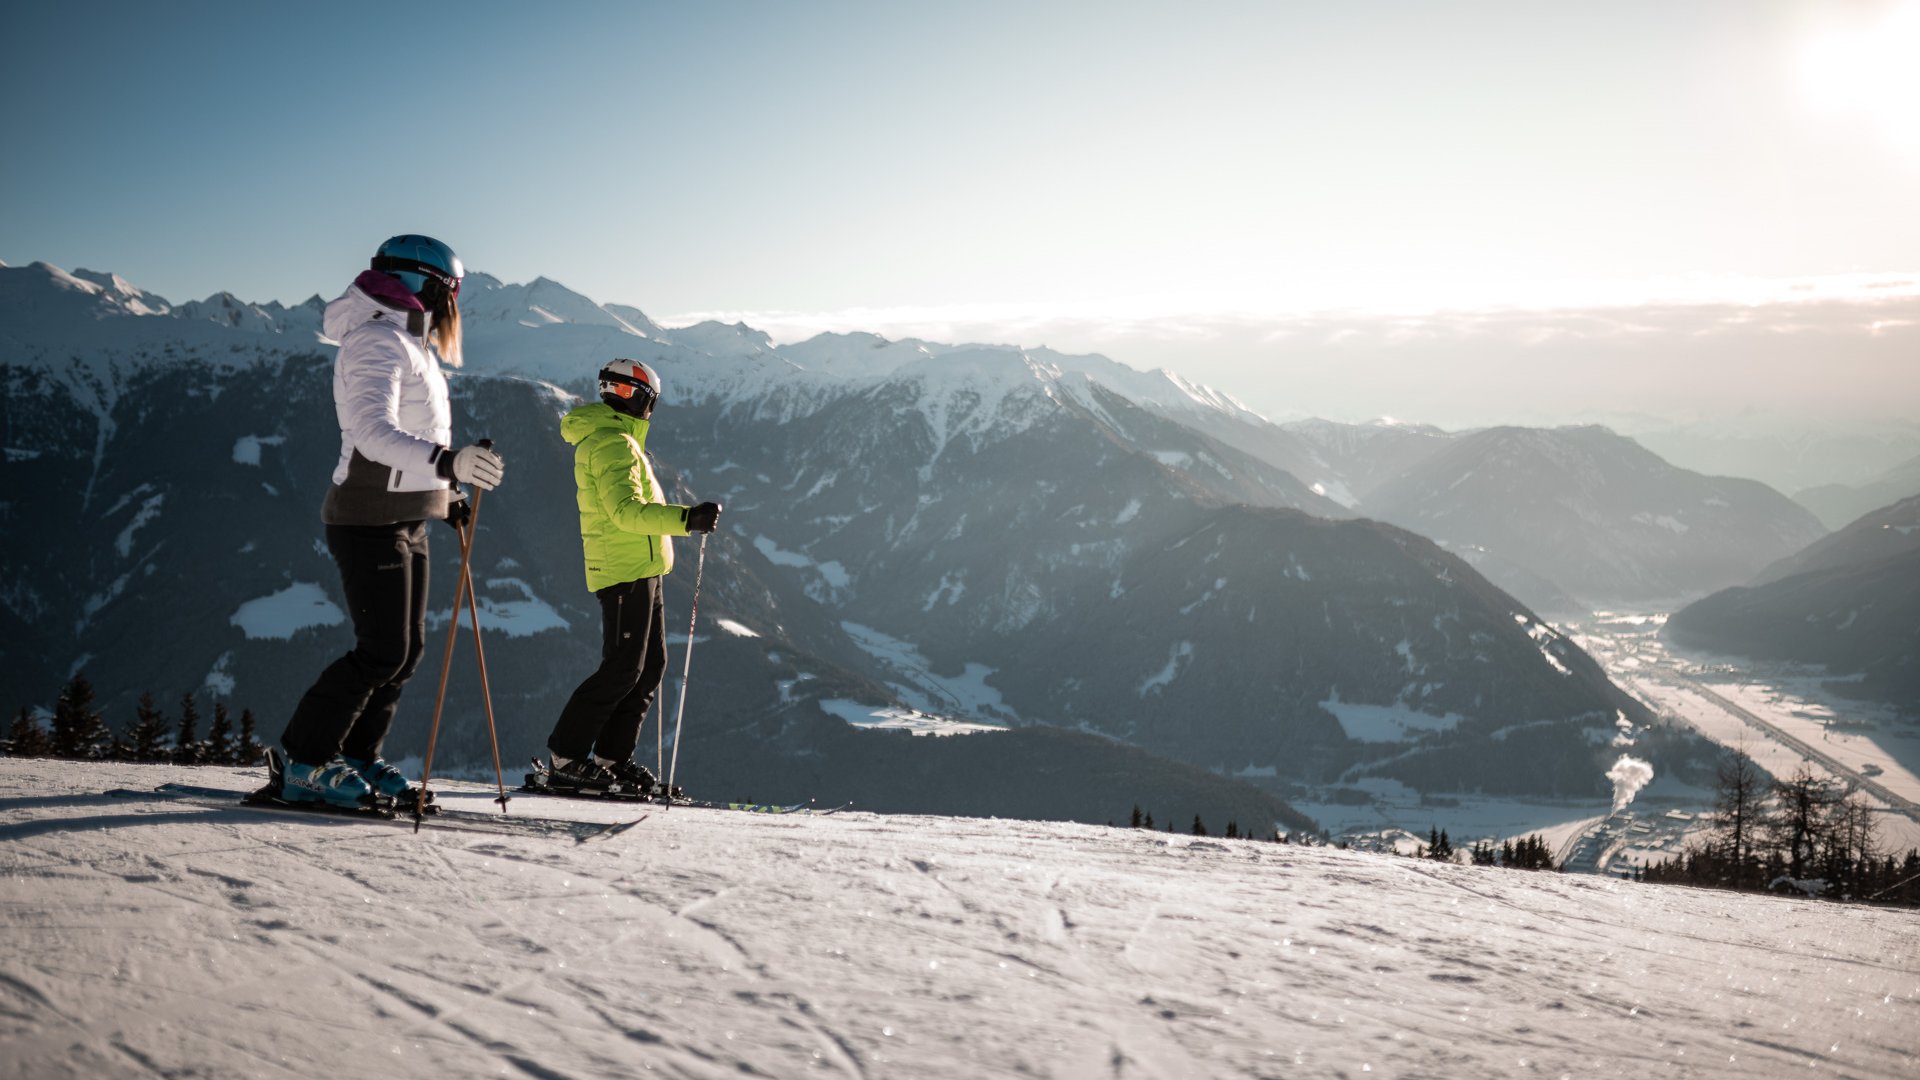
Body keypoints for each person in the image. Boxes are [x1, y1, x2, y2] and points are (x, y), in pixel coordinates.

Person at [278, 235, 505, 808]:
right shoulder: (376, 341)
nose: (455, 305)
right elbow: (374, 435)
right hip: (366, 516)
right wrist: (449, 464)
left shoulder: (409, 341)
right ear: (427, 285)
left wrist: (444, 491)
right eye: (452, 293)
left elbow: (419, 434)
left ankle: (356, 753)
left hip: (408, 515)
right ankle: (302, 762)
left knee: (406, 651)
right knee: (379, 650)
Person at [544, 359, 721, 795]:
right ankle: (566, 758)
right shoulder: (611, 444)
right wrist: (687, 519)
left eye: (623, 391)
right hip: (623, 572)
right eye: (614, 390)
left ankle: (611, 759)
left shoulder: (617, 440)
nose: (620, 398)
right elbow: (626, 513)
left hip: (642, 570)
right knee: (622, 669)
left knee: (648, 669)